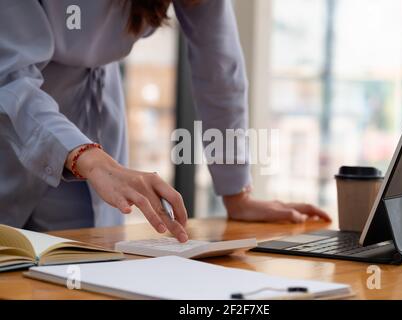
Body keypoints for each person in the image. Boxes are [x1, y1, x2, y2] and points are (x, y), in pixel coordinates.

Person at [0, 0, 330, 243]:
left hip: (92, 118)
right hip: (14, 111)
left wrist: (236, 194)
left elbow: (219, 71)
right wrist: (86, 156)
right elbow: (10, 79)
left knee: (81, 263)